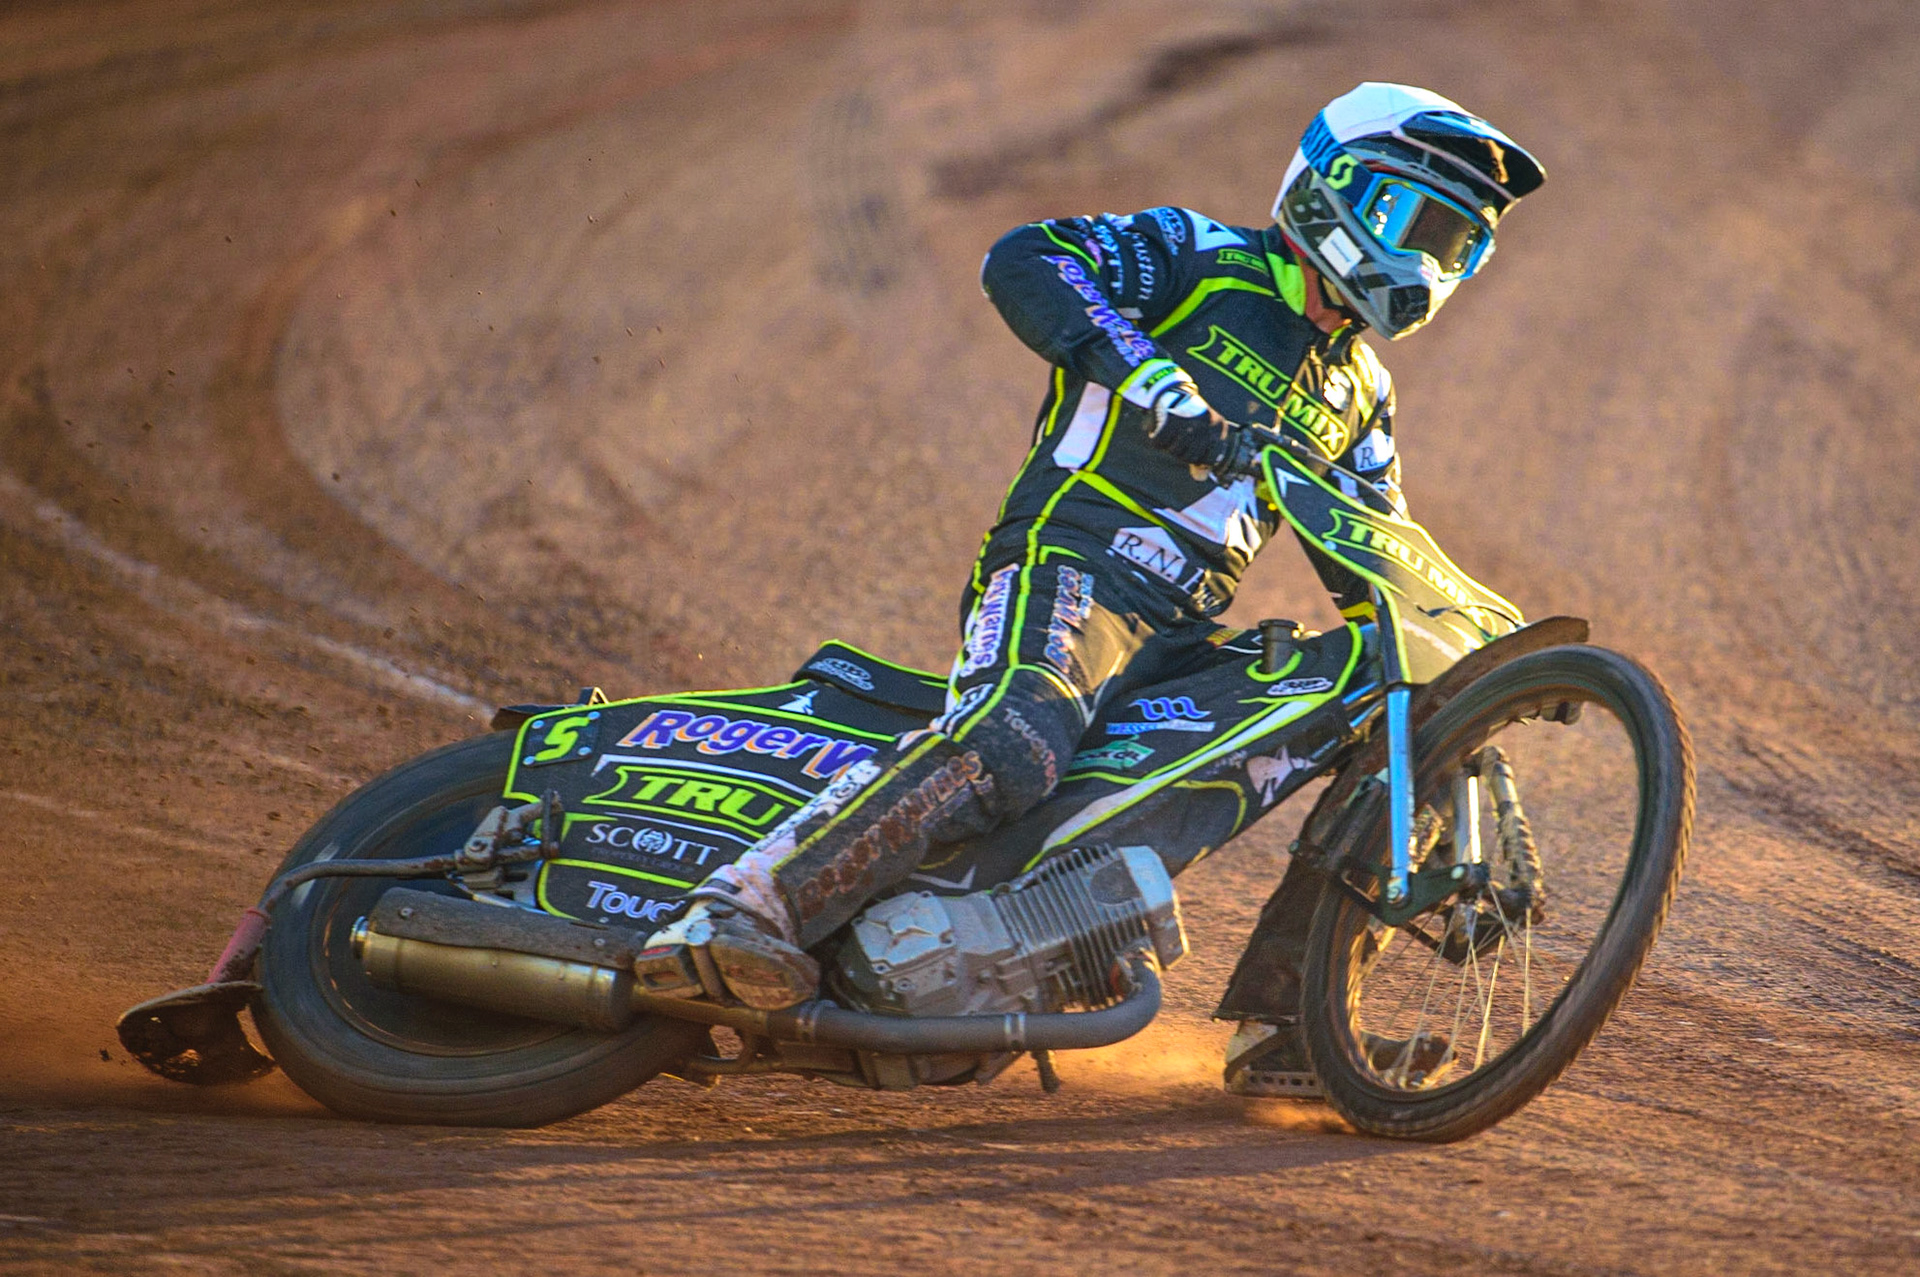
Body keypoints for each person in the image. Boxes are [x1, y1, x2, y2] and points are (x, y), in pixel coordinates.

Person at [641, 82, 1545, 1095]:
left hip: (1179, 634)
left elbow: (1380, 562)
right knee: (1014, 742)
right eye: (1415, 221)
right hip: (1069, 565)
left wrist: (1466, 718)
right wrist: (1151, 378)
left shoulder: (1362, 394)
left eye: (1457, 244)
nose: (1427, 261)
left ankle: (1292, 1026)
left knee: (1388, 699)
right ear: (1333, 188)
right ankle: (743, 909)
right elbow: (1026, 258)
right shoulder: (1199, 255)